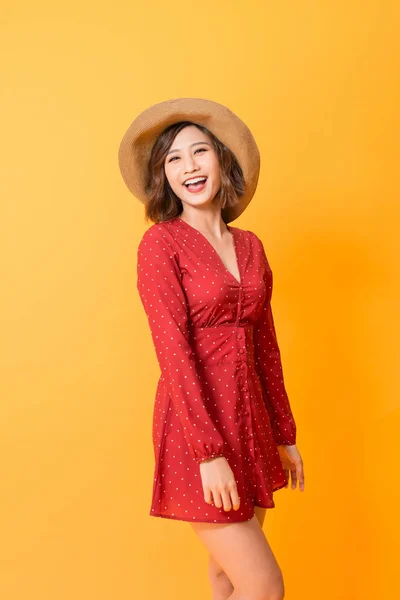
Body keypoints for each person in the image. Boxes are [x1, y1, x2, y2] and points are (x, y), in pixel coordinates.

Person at [118, 98, 305, 600]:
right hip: (198, 430)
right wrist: (209, 453)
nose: (188, 167)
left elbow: (266, 343)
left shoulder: (251, 247)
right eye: (173, 159)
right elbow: (172, 352)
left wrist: (284, 433)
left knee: (227, 577)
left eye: (199, 152)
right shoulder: (160, 245)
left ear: (222, 160)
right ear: (163, 176)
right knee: (263, 587)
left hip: (253, 424)